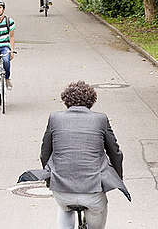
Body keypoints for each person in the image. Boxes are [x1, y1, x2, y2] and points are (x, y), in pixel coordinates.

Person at [40, 81, 130, 229]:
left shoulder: (54, 118)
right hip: (93, 191)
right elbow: (115, 153)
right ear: (91, 101)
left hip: (62, 190)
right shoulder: (101, 119)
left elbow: (44, 153)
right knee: (97, 216)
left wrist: (51, 177)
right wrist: (117, 178)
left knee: (64, 207)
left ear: (66, 100)